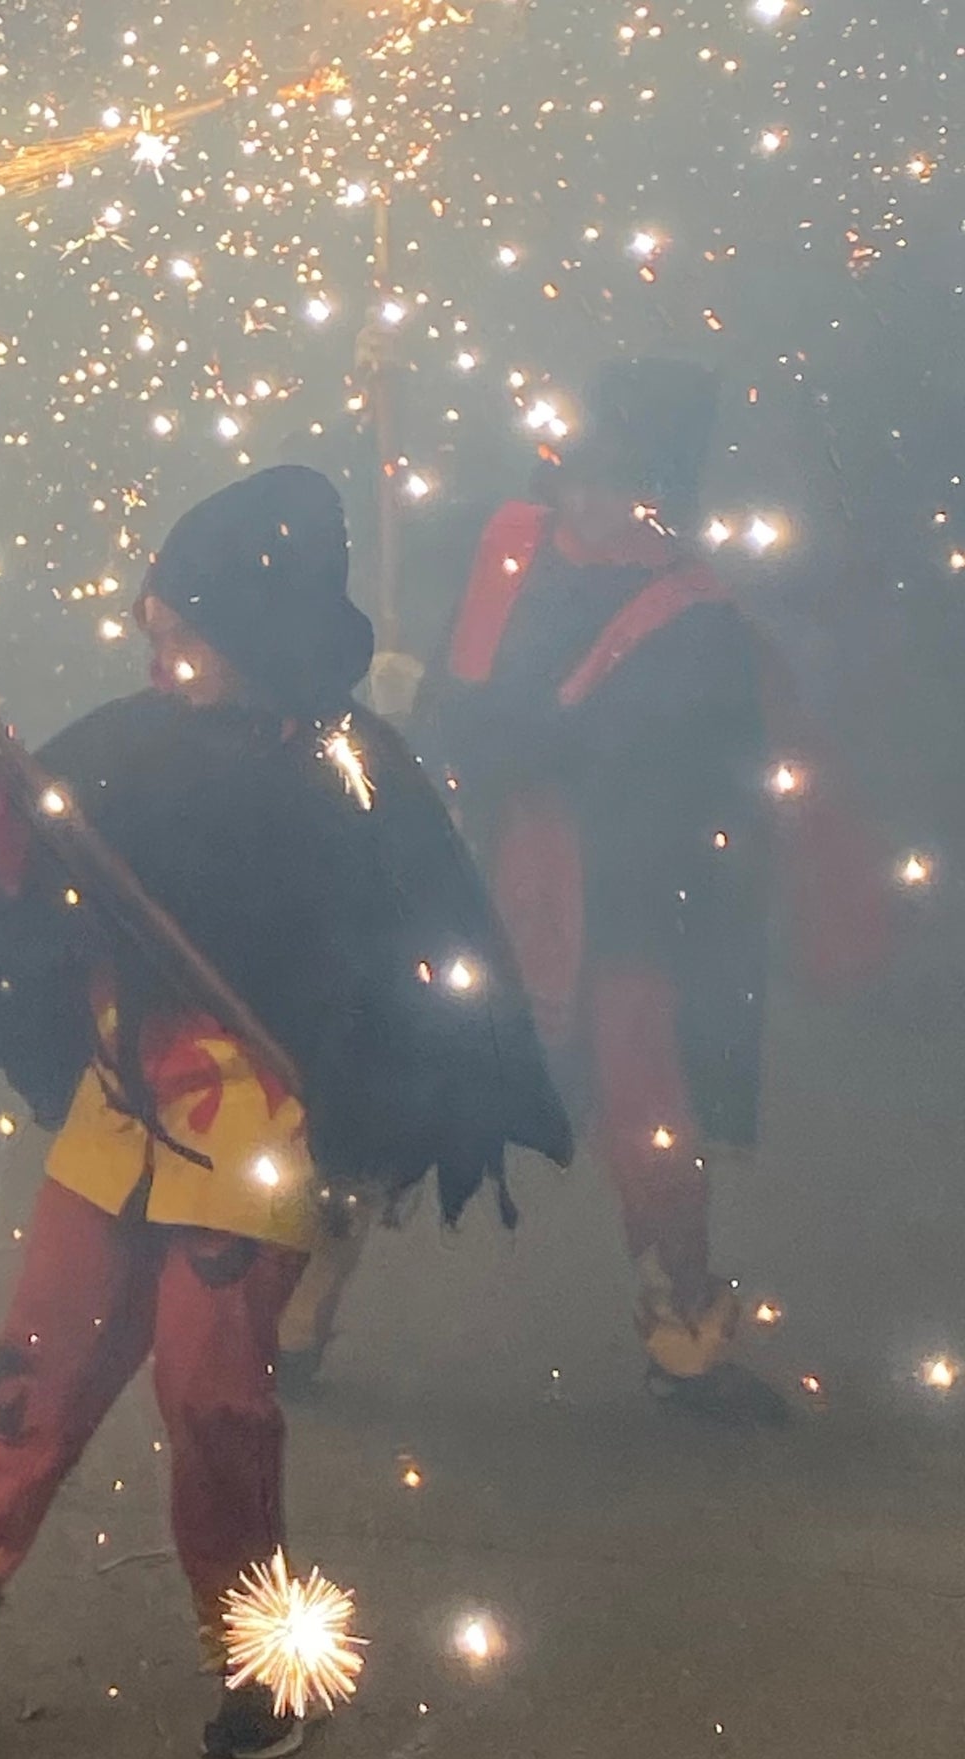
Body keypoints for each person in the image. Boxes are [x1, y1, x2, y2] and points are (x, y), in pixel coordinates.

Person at [0, 466, 567, 1759]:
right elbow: (30, 867)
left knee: (215, 1399)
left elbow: (412, 941)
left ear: (249, 628)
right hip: (117, 1112)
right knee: (35, 1371)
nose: (152, 626)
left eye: (181, 614)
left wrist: (373, 1097)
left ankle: (261, 1650)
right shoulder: (124, 737)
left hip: (256, 1134)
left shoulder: (351, 766)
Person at [285, 358, 854, 1421]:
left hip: (610, 893)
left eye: (613, 477)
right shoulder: (507, 541)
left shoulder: (694, 614)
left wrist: (460, 718)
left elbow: (612, 759)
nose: (583, 498)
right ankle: (298, 1307)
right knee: (386, 1075)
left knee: (646, 1110)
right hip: (470, 862)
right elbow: (462, 688)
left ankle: (685, 1327)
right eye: (575, 471)